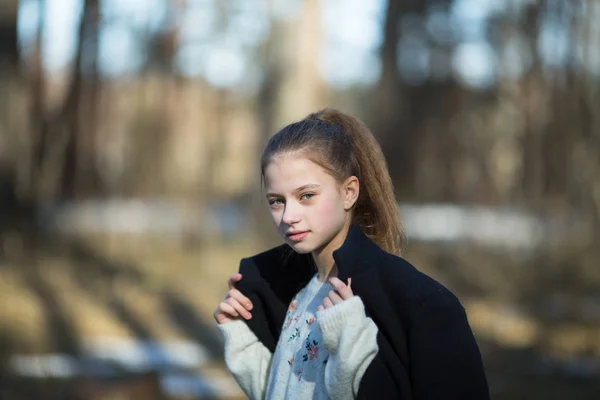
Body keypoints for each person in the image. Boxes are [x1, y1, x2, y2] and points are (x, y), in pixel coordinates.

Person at [213, 108, 490, 399]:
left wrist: (352, 347)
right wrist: (240, 338)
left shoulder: (418, 303)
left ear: (349, 192)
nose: (289, 216)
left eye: (306, 195)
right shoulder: (295, 293)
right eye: (276, 201)